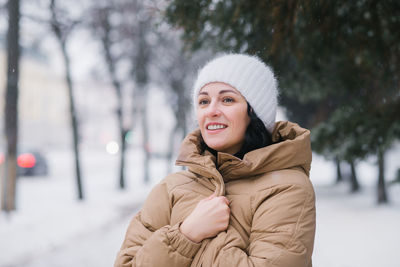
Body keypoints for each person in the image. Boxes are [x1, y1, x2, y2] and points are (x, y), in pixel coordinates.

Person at [114, 54, 316, 267]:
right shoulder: (171, 188)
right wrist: (186, 233)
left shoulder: (286, 187)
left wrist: (202, 237)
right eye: (203, 101)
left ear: (255, 113)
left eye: (227, 99)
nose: (211, 111)